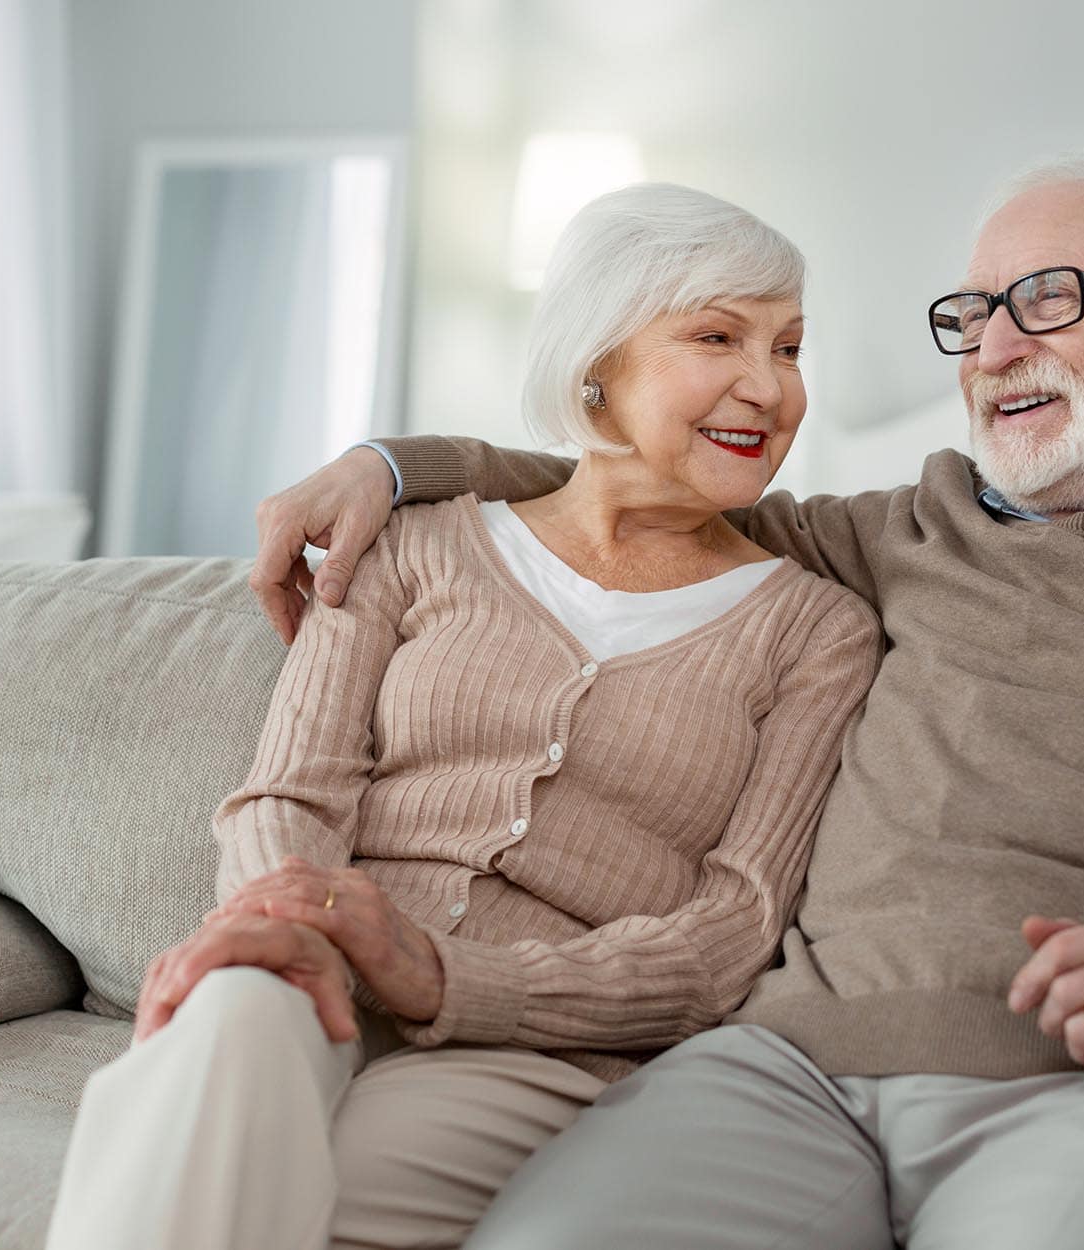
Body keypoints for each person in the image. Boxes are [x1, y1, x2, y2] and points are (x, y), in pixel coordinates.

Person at [250, 153, 1084, 1250]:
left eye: (1044, 300)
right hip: (781, 1066)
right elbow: (628, 481)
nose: (990, 350)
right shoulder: (904, 530)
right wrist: (394, 462)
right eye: (970, 314)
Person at [43, 183, 881, 1250]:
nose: (766, 385)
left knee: (305, 1185)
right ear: (598, 364)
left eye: (791, 347)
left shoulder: (814, 628)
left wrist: (446, 974)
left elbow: (727, 938)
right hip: (318, 964)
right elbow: (291, 791)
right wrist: (278, 916)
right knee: (233, 1018)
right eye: (716, 335)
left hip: (542, 1047)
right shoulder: (415, 541)